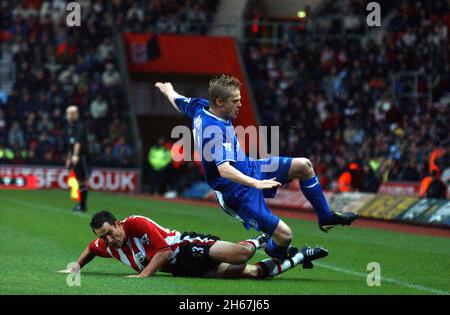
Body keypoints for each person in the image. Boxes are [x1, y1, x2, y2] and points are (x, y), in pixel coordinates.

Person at [155, 75, 357, 262]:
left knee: (304, 166)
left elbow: (179, 101)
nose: (240, 105)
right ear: (219, 102)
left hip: (252, 166)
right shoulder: (213, 131)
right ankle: (274, 251)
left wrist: (168, 90)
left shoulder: (201, 107)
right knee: (285, 237)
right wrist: (256, 183)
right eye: (235, 101)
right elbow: (224, 169)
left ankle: (325, 217)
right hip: (236, 192)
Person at [58, 211, 328, 279]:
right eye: (102, 236)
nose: (107, 240)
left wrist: (143, 276)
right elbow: (90, 249)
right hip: (184, 269)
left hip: (185, 246)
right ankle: (301, 256)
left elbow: (164, 250)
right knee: (253, 273)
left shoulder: (136, 223)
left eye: (108, 233)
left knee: (241, 255)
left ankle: (261, 239)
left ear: (116, 224)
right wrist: (75, 268)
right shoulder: (107, 245)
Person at [65, 105, 91, 212]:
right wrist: (69, 157)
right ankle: (82, 205)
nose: (69, 116)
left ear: (76, 114)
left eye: (71, 113)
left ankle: (83, 205)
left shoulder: (79, 126)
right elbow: (71, 144)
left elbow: (77, 143)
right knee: (80, 180)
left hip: (82, 156)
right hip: (77, 156)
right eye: (68, 114)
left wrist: (75, 155)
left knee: (83, 180)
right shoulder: (71, 127)